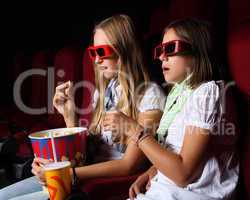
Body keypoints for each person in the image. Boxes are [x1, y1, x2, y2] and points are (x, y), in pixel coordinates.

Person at [0, 14, 165, 200]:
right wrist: (69, 116)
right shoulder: (104, 91)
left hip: (100, 184)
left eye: (101, 52)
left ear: (124, 51)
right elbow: (85, 153)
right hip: (81, 174)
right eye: (93, 53)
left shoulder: (150, 95)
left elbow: (129, 165)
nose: (96, 60)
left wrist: (66, 174)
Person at [109, 18, 239, 200]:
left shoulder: (208, 93)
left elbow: (183, 174)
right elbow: (177, 150)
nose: (162, 56)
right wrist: (152, 171)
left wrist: (135, 131)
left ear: (197, 50)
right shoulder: (178, 93)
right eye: (160, 50)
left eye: (170, 48)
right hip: (164, 191)